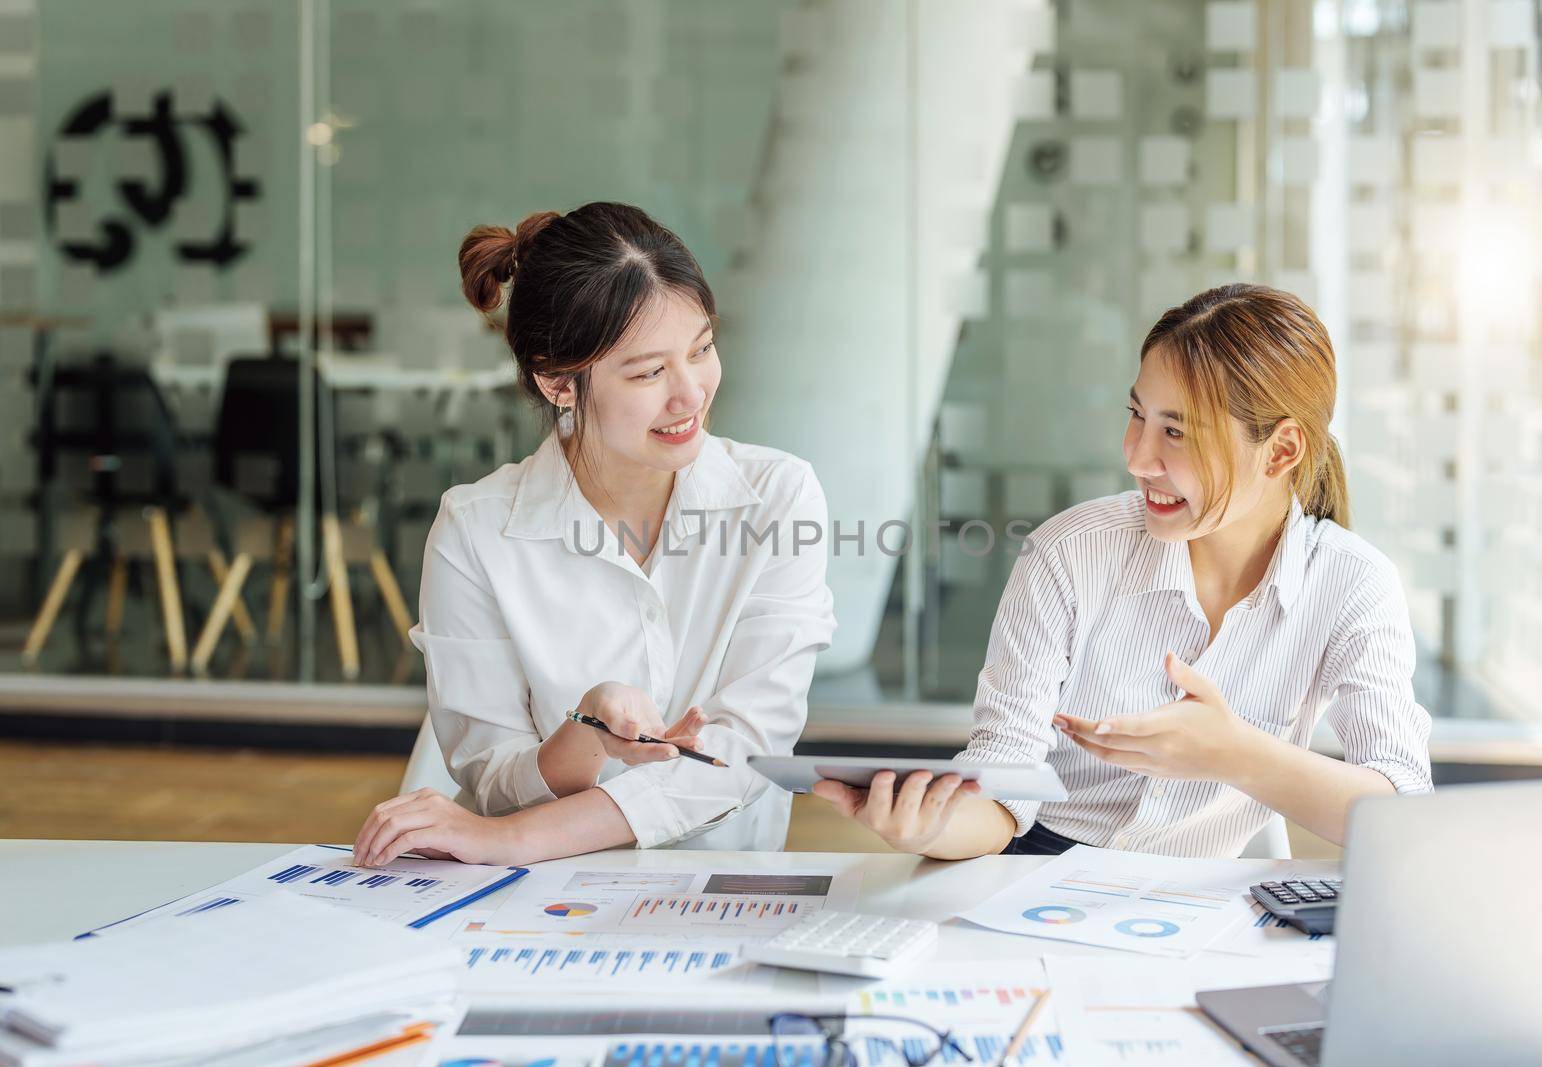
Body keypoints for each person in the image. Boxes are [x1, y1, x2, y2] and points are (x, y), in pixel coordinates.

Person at [814, 284, 1433, 859]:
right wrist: (929, 826)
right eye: (1138, 415)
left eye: (1177, 432)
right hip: (1033, 867)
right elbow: (1004, 785)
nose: (1137, 458)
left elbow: (1403, 816)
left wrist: (1236, 754)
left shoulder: (1352, 585)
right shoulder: (1070, 553)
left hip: (1194, 902)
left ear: (1282, 450)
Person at [354, 202, 835, 867]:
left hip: (722, 895)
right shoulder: (476, 531)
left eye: (701, 349)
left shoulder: (778, 498)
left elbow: (747, 751)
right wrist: (586, 732)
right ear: (558, 382)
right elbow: (492, 782)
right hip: (535, 900)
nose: (691, 393)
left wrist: (509, 840)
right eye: (647, 372)